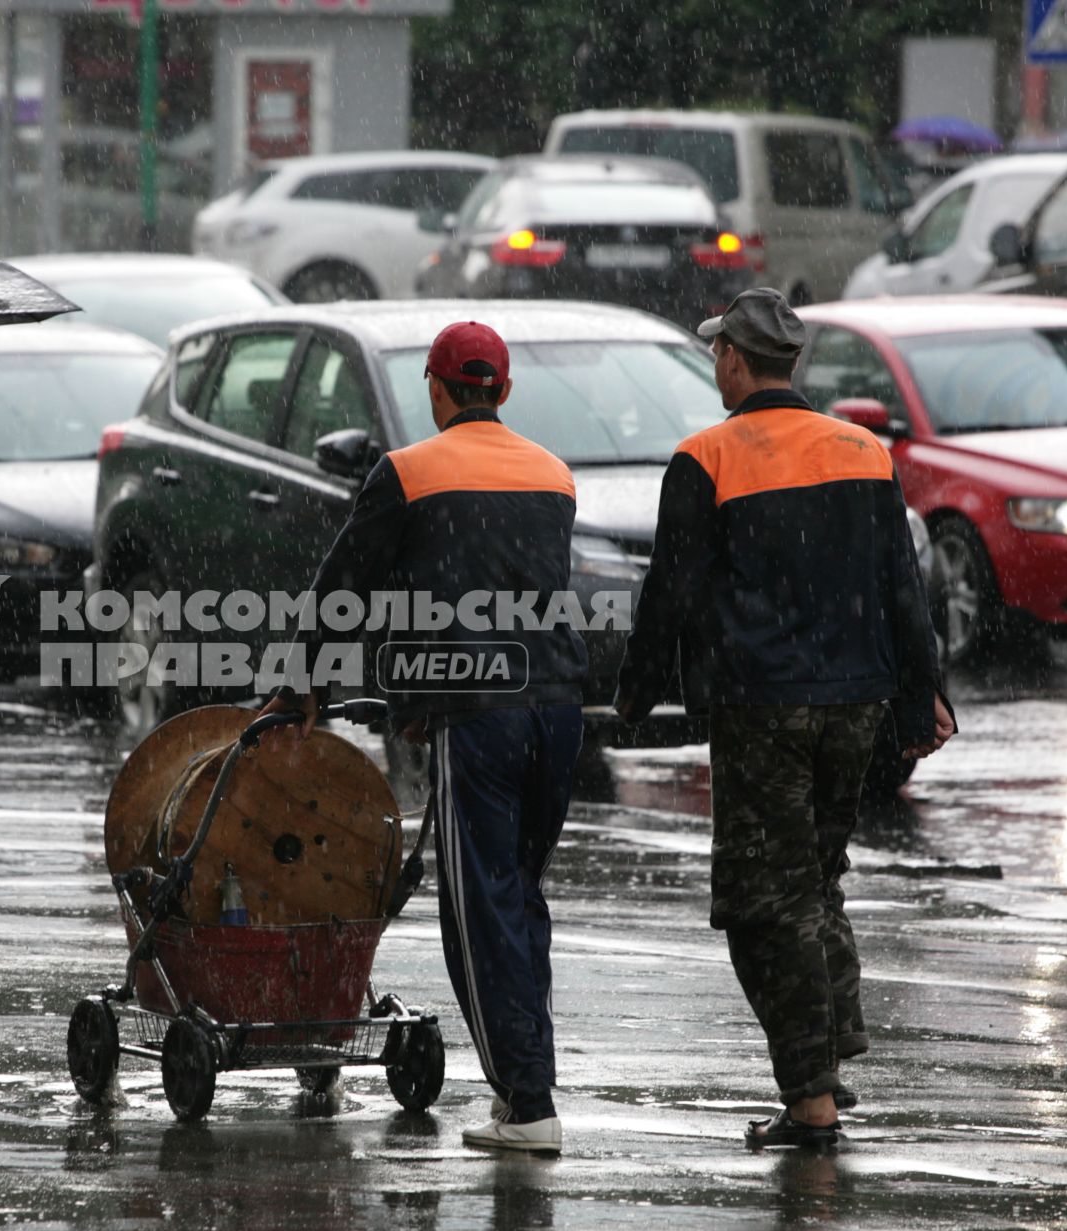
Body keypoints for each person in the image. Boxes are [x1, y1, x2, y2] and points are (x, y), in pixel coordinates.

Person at [615, 288, 956, 1150]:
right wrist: (921, 694)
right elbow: (901, 588)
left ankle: (811, 1100)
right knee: (815, 881)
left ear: (734, 356)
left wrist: (631, 697)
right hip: (854, 706)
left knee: (759, 906)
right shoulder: (862, 450)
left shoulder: (706, 455)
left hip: (762, 708)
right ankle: (831, 1049)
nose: (713, 365)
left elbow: (670, 591)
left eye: (715, 352)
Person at [263, 321, 588, 1155]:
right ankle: (528, 1077)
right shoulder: (554, 474)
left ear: (436, 390)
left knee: (478, 912)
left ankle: (526, 1101)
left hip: (477, 715)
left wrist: (305, 682)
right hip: (555, 709)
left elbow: (344, 586)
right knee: (518, 896)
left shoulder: (408, 472)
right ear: (503, 392)